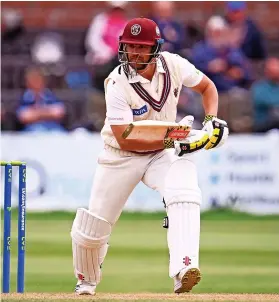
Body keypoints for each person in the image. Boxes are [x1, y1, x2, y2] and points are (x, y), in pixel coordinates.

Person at [70, 17, 228, 296]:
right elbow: (124, 136)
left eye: (141, 47)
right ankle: (87, 281)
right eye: (130, 46)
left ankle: (184, 268)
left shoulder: (174, 64)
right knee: (93, 227)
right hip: (120, 156)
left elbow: (208, 87)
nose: (135, 53)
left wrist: (212, 121)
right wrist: (174, 140)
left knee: (185, 188)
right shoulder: (117, 81)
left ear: (155, 47)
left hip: (159, 154)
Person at [17, 67, 66, 132]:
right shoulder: (25, 98)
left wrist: (36, 113)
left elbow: (59, 112)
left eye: (37, 79)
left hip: (53, 129)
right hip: (31, 130)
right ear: (27, 83)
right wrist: (47, 112)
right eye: (33, 80)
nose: (35, 83)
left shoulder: (50, 95)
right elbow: (23, 117)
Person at [251, 57, 279, 132]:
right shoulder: (259, 87)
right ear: (266, 71)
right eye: (272, 69)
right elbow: (262, 100)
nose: (275, 70)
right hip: (264, 124)